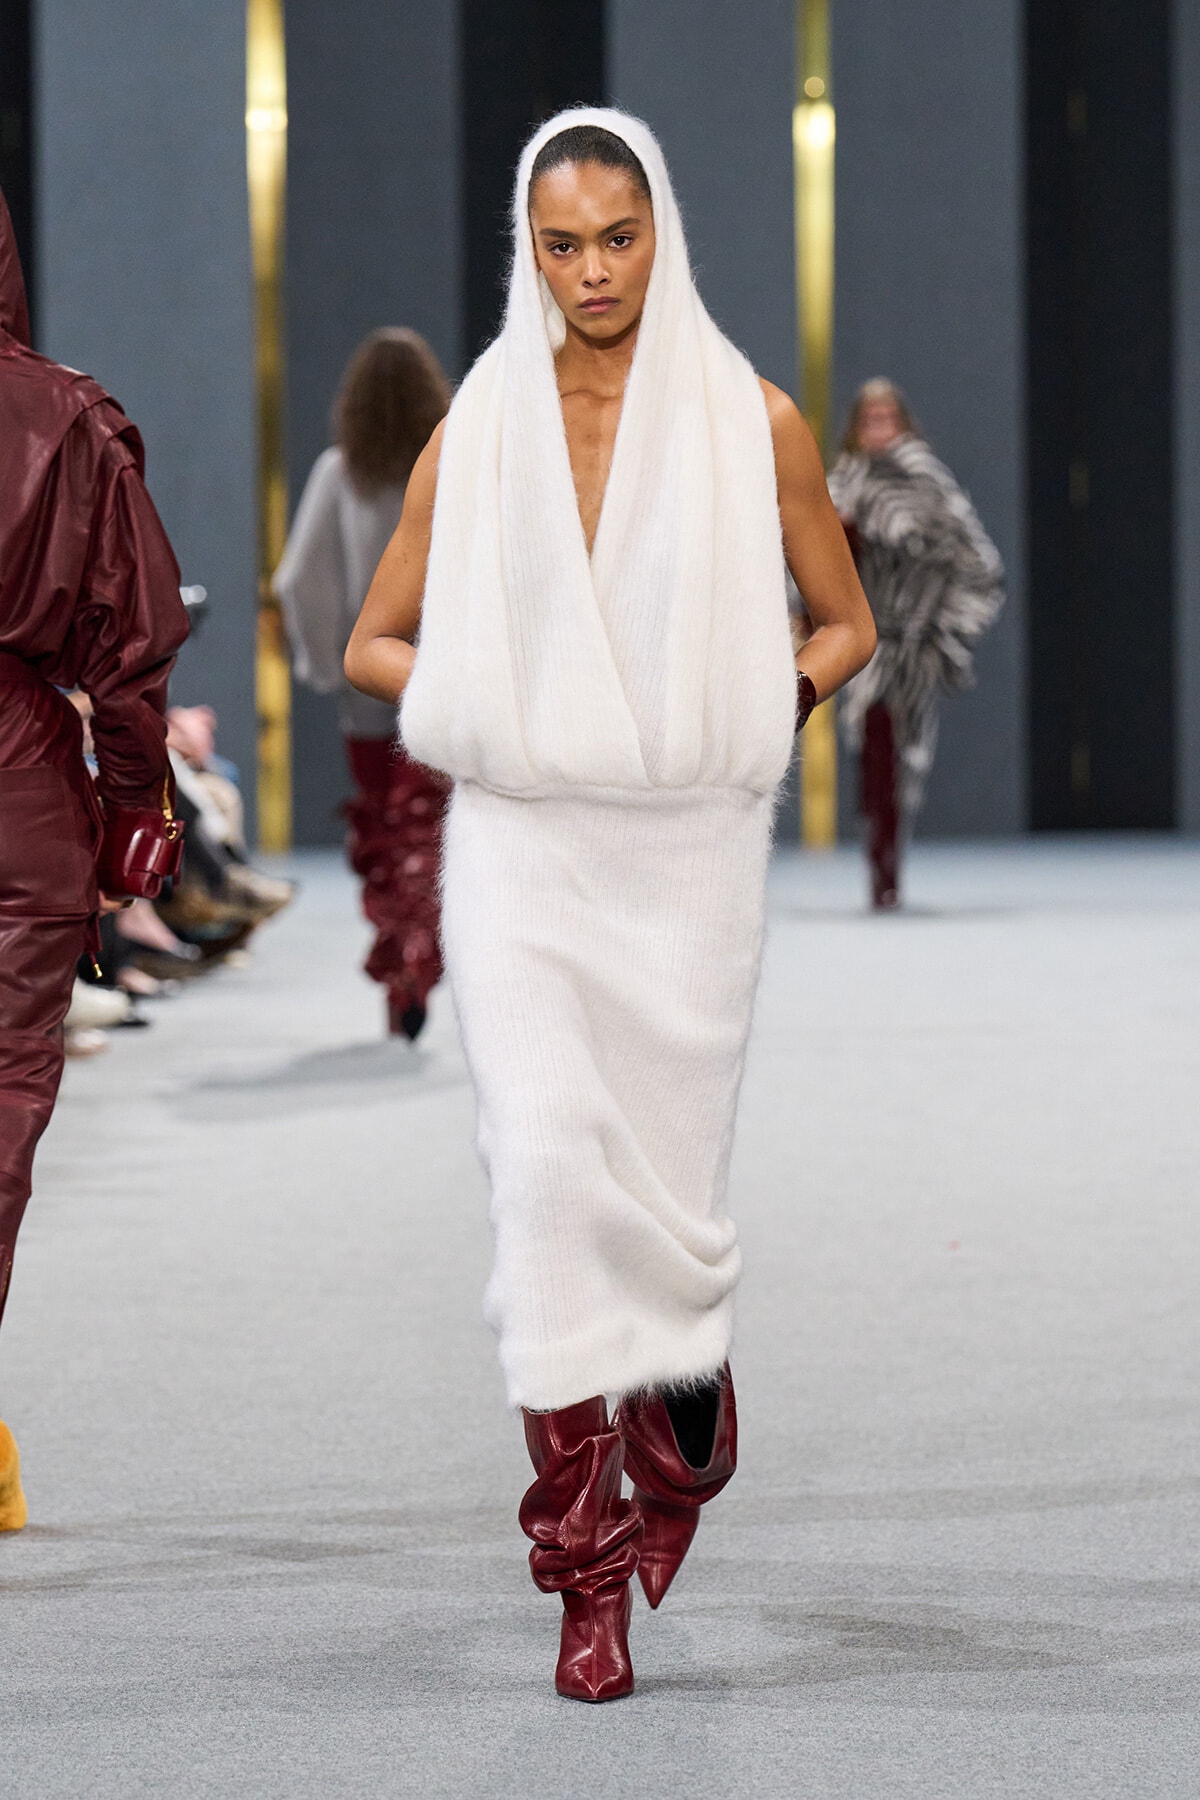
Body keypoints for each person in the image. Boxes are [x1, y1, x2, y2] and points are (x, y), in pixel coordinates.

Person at [345, 110, 876, 1701]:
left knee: (660, 1211)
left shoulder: (751, 421)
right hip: (523, 852)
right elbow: (375, 642)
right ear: (528, 249)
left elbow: (842, 623)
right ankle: (584, 1578)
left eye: (619, 239)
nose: (592, 271)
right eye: (562, 243)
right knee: (544, 1191)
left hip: (685, 861)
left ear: (664, 235)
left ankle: (682, 1428)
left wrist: (761, 701)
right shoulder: (484, 424)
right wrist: (496, 708)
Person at [0, 188, 188, 1530]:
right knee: (2, 1105)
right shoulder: (62, 417)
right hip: (16, 777)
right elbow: (130, 647)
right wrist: (136, 815)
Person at [275, 329, 451, 1039]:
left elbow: (298, 579)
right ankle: (422, 958)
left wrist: (327, 663)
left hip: (370, 683)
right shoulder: (457, 463)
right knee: (428, 829)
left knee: (382, 827)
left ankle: (398, 965)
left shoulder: (340, 472)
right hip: (448, 677)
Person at [828, 378, 1005, 908]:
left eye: (887, 418)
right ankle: (879, 860)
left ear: (904, 423)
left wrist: (949, 626)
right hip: (867, 643)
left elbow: (978, 562)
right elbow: (812, 560)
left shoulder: (930, 484)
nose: (878, 428)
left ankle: (889, 863)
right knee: (870, 747)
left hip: (915, 643)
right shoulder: (843, 484)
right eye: (869, 419)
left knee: (906, 756)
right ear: (856, 427)